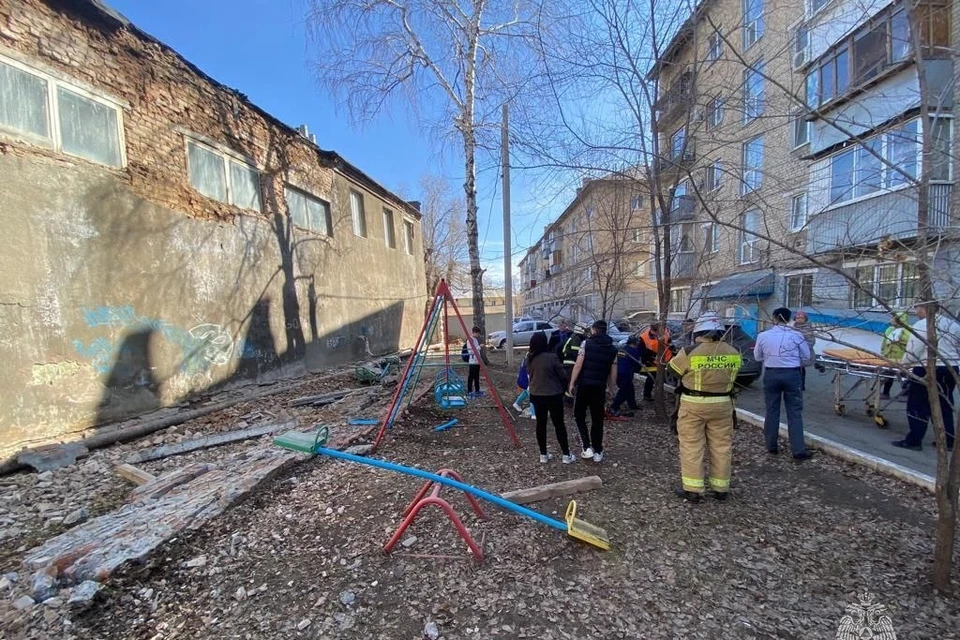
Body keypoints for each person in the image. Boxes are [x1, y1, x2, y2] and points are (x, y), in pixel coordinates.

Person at [669, 313, 742, 503]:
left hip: (694, 404)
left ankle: (693, 489)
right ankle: (721, 488)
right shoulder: (733, 351)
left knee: (692, 445)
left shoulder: (691, 351)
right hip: (723, 405)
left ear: (699, 332)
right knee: (721, 446)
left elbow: (673, 369)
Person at [892, 300, 960, 452]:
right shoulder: (953, 325)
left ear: (925, 308)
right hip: (950, 368)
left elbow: (914, 348)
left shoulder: (923, 325)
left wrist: (903, 366)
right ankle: (949, 440)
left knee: (918, 404)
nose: (916, 312)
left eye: (917, 308)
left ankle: (914, 440)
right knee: (945, 404)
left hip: (927, 368)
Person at [754, 307, 814, 461]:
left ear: (774, 318)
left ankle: (771, 446)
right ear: (790, 319)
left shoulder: (763, 336)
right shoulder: (797, 335)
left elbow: (757, 357)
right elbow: (806, 355)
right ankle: (798, 450)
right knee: (794, 412)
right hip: (792, 374)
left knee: (772, 410)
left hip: (771, 373)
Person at [568, 320, 619, 463]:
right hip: (600, 387)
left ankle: (586, 447)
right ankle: (598, 451)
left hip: (584, 385)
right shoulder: (613, 348)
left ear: (595, 330)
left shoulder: (586, 344)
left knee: (578, 415)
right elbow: (613, 371)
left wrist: (572, 383)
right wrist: (611, 388)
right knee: (597, 419)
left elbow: (578, 365)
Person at [526, 331, 576, 464]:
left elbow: (529, 373)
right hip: (553, 394)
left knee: (540, 425)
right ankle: (566, 454)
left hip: (537, 395)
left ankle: (543, 454)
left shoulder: (530, 358)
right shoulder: (552, 358)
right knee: (559, 424)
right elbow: (562, 375)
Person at [637, 322, 673, 401]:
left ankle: (663, 394)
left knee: (664, 378)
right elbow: (641, 352)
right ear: (652, 329)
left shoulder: (666, 331)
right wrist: (650, 359)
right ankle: (647, 395)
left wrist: (672, 348)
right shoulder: (644, 337)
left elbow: (669, 341)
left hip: (667, 358)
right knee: (651, 378)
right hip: (652, 361)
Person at [880, 311, 910, 400]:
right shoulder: (889, 330)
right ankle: (886, 392)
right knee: (888, 375)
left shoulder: (908, 331)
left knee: (904, 376)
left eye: (894, 318)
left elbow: (909, 342)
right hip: (889, 357)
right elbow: (884, 342)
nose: (892, 320)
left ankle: (905, 393)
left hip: (902, 358)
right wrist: (883, 352)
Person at [610, 336, 642, 416]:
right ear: (633, 343)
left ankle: (632, 405)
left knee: (630, 388)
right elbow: (637, 365)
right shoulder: (634, 351)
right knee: (624, 391)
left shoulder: (623, 349)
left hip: (617, 372)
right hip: (626, 374)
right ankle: (614, 406)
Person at [560, 324, 588, 404]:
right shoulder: (576, 339)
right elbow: (576, 353)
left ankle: (569, 399)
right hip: (570, 364)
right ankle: (569, 401)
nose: (586, 332)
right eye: (585, 330)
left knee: (571, 382)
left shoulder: (574, 337)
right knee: (572, 382)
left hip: (569, 363)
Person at [792, 311, 818, 392]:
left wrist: (800, 348)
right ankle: (796, 384)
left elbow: (811, 342)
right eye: (797, 318)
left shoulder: (808, 329)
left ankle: (801, 385)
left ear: (805, 319)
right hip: (793, 354)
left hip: (803, 354)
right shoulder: (793, 328)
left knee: (800, 369)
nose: (799, 319)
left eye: (801, 318)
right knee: (795, 369)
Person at [466, 326, 483, 397]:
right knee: (471, 377)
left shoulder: (475, 339)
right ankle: (469, 391)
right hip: (472, 361)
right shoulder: (470, 340)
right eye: (478, 334)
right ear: (475, 332)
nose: (478, 335)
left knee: (477, 377)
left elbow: (476, 349)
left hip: (477, 361)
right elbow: (471, 351)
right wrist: (479, 347)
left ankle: (477, 390)